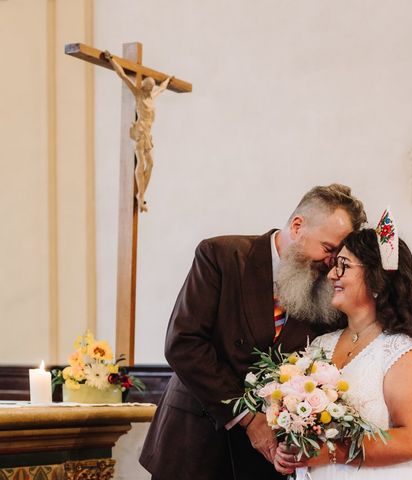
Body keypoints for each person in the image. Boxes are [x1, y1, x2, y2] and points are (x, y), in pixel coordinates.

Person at [139, 184, 366, 480]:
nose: (330, 263)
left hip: (263, 460)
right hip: (196, 440)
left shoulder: (325, 291)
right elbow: (183, 344)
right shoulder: (221, 256)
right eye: (328, 249)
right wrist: (246, 418)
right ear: (297, 226)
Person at [273, 212, 412, 479]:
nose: (332, 275)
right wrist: (290, 450)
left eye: (344, 266)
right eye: (334, 265)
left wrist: (331, 452)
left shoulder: (404, 353)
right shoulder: (321, 345)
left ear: (375, 278)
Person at [103, 50, 173, 212]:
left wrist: (168, 80)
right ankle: (140, 196)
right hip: (140, 133)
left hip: (148, 134)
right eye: (147, 87)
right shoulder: (138, 95)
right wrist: (111, 59)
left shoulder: (151, 96)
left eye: (150, 88)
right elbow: (123, 76)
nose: (148, 89)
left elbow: (162, 88)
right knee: (141, 164)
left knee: (151, 164)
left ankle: (142, 194)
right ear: (144, 87)